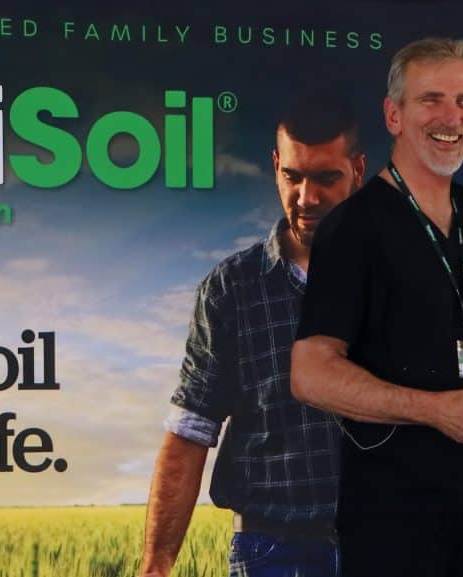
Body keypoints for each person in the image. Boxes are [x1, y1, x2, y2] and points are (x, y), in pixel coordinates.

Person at [291, 38, 463, 577]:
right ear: (393, 114)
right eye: (431, 100)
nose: (452, 117)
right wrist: (434, 409)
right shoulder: (353, 227)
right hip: (396, 509)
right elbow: (310, 373)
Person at [139, 90, 366, 577]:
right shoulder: (231, 288)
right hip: (272, 551)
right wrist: (156, 567)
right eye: (292, 177)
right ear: (275, 167)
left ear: (358, 170)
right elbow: (191, 430)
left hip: (384, 541)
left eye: (327, 178)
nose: (307, 198)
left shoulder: (395, 277)